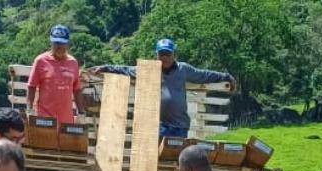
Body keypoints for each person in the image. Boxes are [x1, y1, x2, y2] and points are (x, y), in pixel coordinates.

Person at [91, 38, 237, 137]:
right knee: (157, 162)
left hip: (180, 126)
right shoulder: (149, 69)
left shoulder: (183, 69)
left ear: (174, 54)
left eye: (168, 54)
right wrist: (104, 67)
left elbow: (204, 75)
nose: (165, 57)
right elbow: (124, 69)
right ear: (157, 54)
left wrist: (226, 77)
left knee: (176, 160)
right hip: (159, 126)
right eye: (162, 54)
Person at [27, 24, 83, 125]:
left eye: (62, 43)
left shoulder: (73, 62)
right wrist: (29, 109)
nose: (59, 46)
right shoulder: (41, 61)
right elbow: (32, 86)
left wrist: (81, 112)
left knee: (66, 141)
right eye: (56, 43)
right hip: (45, 118)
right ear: (51, 42)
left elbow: (77, 89)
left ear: (67, 43)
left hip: (66, 119)